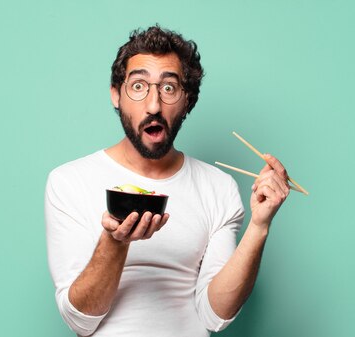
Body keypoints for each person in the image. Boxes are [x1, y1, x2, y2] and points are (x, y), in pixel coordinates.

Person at [45, 24, 291, 336]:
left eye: (169, 88)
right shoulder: (69, 182)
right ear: (115, 95)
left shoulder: (219, 187)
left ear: (188, 101)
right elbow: (81, 320)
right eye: (138, 86)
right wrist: (115, 242)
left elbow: (215, 316)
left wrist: (260, 226)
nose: (153, 105)